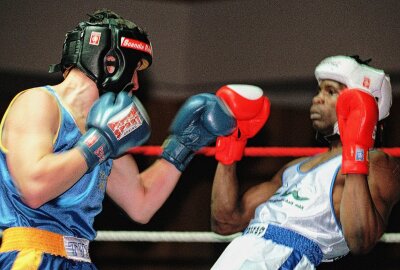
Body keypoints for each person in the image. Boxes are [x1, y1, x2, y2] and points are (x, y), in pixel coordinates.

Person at [0, 9, 236, 269]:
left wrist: (183, 144)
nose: (135, 84)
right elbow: (34, 188)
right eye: (134, 70)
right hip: (32, 256)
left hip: (80, 259)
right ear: (109, 62)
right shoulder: (39, 102)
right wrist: (99, 143)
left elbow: (141, 204)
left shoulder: (105, 127)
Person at [210, 55, 400, 269]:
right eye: (319, 91)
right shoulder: (294, 167)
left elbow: (361, 241)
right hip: (240, 248)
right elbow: (225, 221)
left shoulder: (378, 162)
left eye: (331, 91)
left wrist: (356, 151)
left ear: (363, 100)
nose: (317, 98)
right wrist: (230, 146)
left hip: (282, 258)